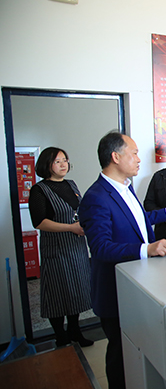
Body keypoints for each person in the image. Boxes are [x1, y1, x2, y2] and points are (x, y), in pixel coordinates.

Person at [79, 132, 166, 389]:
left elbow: (136, 221)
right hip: (116, 290)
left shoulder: (125, 187)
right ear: (115, 157)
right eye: (134, 153)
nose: (139, 159)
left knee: (137, 348)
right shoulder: (96, 197)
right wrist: (147, 249)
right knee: (119, 353)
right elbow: (100, 247)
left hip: (138, 284)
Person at [28, 147, 94, 348]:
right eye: (57, 161)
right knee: (57, 292)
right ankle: (60, 335)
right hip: (56, 248)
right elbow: (39, 222)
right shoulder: (39, 190)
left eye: (65, 160)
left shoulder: (71, 185)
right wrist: (70, 227)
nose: (63, 164)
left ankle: (75, 330)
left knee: (76, 289)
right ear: (47, 165)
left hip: (76, 247)